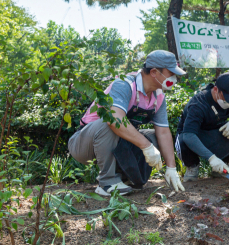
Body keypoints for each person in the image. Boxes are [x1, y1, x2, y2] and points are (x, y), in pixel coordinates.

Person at [69, 50, 186, 196]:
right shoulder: (124, 85)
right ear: (155, 72)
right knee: (111, 122)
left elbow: (163, 132)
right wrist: (146, 146)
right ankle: (107, 183)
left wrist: (171, 168)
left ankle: (126, 180)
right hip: (84, 144)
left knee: (152, 135)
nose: (175, 79)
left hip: (116, 141)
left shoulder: (159, 97)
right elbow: (115, 119)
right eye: (171, 74)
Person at [175, 72, 229, 183]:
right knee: (184, 139)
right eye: (226, 99)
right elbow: (189, 135)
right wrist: (211, 158)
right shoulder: (198, 103)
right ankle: (192, 167)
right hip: (195, 137)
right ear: (215, 90)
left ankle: (223, 165)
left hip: (214, 134)